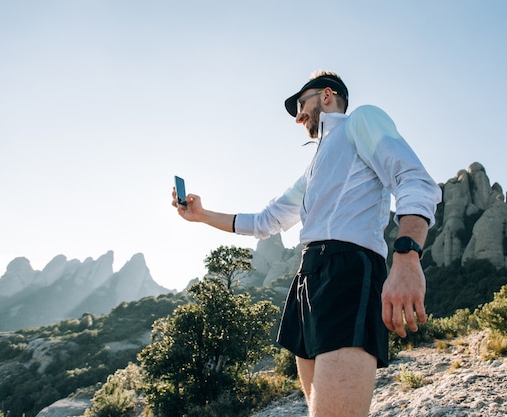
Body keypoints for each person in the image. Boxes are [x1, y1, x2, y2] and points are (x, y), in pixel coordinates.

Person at [172, 70, 442, 417]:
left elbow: (414, 180)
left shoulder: (361, 120)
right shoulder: (313, 167)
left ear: (326, 96)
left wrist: (407, 258)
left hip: (348, 270)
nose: (298, 116)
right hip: (307, 278)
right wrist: (202, 215)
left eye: (301, 104)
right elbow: (265, 221)